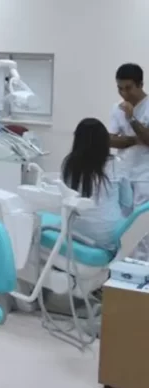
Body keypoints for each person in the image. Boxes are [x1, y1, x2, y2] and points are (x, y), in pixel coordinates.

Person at [63, 118, 130, 250]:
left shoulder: (69, 164)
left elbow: (65, 198)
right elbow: (127, 203)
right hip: (108, 236)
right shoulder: (117, 165)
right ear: (105, 140)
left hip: (75, 232)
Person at [108, 63, 149, 260]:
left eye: (128, 88)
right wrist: (134, 140)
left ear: (141, 84)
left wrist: (131, 120)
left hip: (145, 178)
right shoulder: (116, 108)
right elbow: (110, 139)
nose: (124, 93)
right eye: (120, 88)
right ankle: (118, 269)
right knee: (121, 224)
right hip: (123, 175)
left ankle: (140, 275)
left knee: (143, 229)